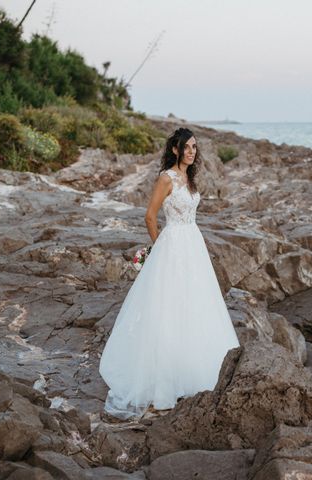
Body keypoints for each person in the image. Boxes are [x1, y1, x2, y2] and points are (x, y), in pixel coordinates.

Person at [99, 127, 239, 419]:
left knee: (195, 306)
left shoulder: (189, 179)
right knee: (167, 308)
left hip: (193, 244)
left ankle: (191, 370)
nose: (192, 151)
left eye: (194, 147)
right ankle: (162, 380)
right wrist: (159, 246)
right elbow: (150, 215)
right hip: (173, 244)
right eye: (187, 147)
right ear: (175, 150)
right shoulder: (167, 178)